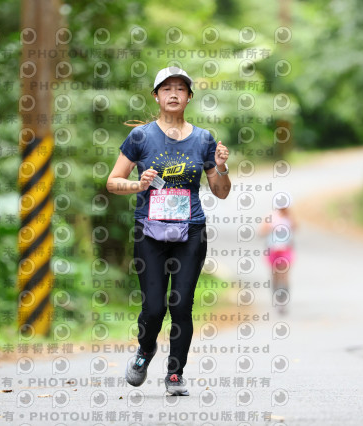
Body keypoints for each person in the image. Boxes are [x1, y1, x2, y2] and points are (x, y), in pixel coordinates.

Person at [106, 66, 231, 396]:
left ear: (189, 97)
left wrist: (220, 167)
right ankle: (145, 349)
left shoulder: (203, 139)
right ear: (156, 96)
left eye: (180, 88)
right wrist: (138, 185)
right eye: (166, 88)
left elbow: (221, 192)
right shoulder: (141, 137)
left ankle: (175, 373)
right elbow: (112, 182)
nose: (173, 94)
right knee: (153, 308)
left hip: (191, 232)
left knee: (181, 305)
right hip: (149, 232)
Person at [259, 196, 297, 314]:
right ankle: (276, 297)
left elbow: (296, 228)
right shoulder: (270, 217)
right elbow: (260, 232)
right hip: (273, 250)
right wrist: (269, 228)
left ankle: (283, 300)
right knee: (275, 275)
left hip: (285, 250)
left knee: (284, 275)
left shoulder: (289, 217)